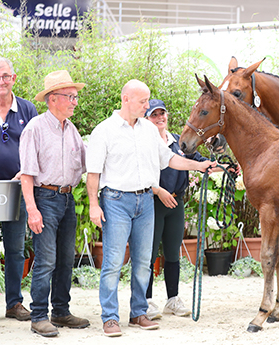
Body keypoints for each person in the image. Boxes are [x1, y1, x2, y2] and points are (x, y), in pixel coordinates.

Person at [86, 80, 217, 337]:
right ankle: (110, 318)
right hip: (115, 201)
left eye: (148, 100)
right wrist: (93, 205)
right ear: (125, 99)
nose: (147, 106)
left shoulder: (148, 130)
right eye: (142, 101)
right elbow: (93, 173)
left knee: (144, 262)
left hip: (145, 201)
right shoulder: (104, 131)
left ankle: (138, 313)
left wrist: (200, 166)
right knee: (113, 262)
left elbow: (169, 159)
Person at [19, 70, 90, 337]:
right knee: (47, 260)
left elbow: (88, 165)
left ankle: (61, 311)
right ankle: (38, 316)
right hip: (44, 198)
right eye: (70, 97)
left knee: (65, 259)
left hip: (67, 198)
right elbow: (26, 174)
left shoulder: (71, 130)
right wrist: (32, 209)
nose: (74, 101)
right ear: (52, 99)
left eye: (75, 97)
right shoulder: (34, 128)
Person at [144, 100, 229, 319]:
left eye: (162, 113)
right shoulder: (144, 142)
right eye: (154, 115)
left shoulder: (177, 141)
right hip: (154, 202)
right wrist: (158, 191)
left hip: (176, 203)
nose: (160, 118)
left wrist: (225, 167)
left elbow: (198, 161)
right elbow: (141, 174)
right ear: (146, 119)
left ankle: (172, 300)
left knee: (173, 253)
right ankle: (145, 302)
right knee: (150, 254)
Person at [0, 57, 38, 324]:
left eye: (5, 76)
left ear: (14, 79)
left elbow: (37, 145)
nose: (1, 82)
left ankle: (14, 303)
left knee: (16, 249)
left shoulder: (28, 110)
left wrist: (25, 171)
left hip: (19, 188)